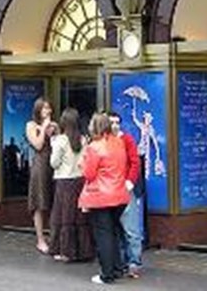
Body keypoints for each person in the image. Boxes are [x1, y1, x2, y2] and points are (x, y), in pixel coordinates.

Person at [79, 112, 130, 285]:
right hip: (120, 195)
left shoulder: (94, 147)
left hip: (101, 197)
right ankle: (117, 268)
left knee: (103, 236)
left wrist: (83, 159)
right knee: (113, 232)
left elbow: (88, 174)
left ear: (94, 127)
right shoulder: (118, 143)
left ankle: (107, 274)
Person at [48, 108, 94, 263]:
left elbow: (54, 163)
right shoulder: (83, 139)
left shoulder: (60, 140)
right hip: (80, 181)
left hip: (64, 182)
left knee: (64, 217)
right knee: (80, 217)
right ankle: (83, 251)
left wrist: (52, 144)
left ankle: (66, 251)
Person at [109, 111, 143, 278]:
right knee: (117, 229)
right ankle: (121, 262)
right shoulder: (104, 141)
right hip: (110, 190)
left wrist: (129, 182)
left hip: (125, 189)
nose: (115, 125)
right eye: (111, 122)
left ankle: (134, 262)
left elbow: (135, 162)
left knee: (131, 229)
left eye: (117, 122)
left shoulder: (127, 140)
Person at [25, 97, 56, 254]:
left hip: (54, 164)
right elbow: (37, 144)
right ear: (38, 110)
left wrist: (53, 130)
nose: (47, 111)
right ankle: (40, 239)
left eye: (49, 108)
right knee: (39, 202)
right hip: (40, 165)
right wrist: (43, 128)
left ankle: (54, 237)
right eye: (44, 108)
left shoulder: (54, 125)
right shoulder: (31, 125)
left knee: (53, 201)